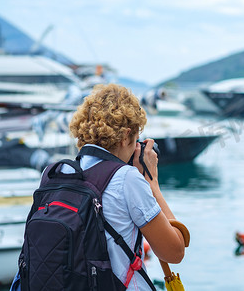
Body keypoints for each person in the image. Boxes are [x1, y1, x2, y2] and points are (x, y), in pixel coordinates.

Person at [67, 83, 186, 290]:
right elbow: (174, 252)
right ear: (125, 137)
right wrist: (152, 182)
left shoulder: (58, 174)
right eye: (135, 139)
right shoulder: (127, 180)